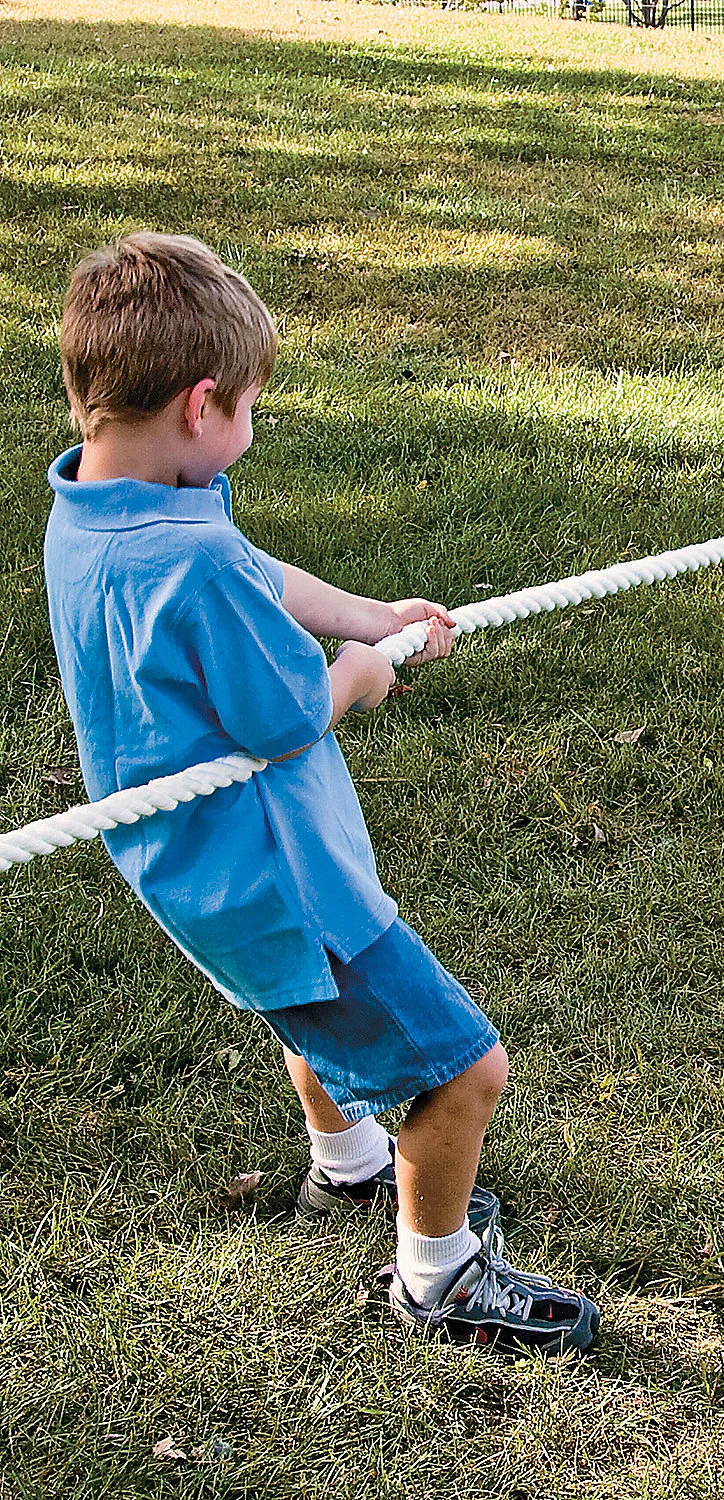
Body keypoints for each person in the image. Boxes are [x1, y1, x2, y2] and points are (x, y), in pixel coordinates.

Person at [44, 232, 597, 1354]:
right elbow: (288, 712)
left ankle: (347, 1164)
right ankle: (438, 1278)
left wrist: (370, 614)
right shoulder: (187, 561)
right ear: (201, 404)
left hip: (196, 872)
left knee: (300, 1004)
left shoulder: (96, 509)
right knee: (463, 1069)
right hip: (284, 876)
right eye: (249, 406)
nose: (250, 429)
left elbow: (249, 567)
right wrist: (360, 671)